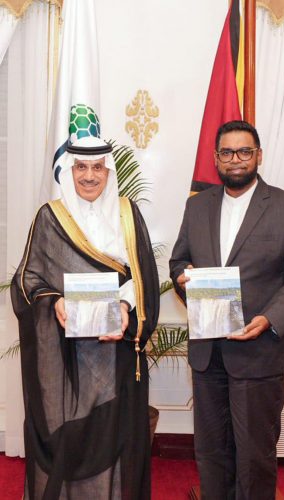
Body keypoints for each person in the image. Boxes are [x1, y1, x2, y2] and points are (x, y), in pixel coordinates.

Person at [169, 120, 284, 500]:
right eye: (226, 152)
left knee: (255, 456)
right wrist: (182, 278)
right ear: (216, 158)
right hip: (208, 354)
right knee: (211, 452)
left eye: (244, 151)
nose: (235, 160)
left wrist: (271, 318)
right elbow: (178, 261)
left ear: (258, 156)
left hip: (261, 352)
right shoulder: (197, 207)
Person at [11, 136, 160, 500]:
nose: (89, 176)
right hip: (66, 359)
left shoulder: (128, 214)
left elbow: (145, 278)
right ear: (70, 171)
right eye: (81, 167)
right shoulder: (50, 217)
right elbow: (27, 280)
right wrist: (53, 300)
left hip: (116, 351)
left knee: (114, 436)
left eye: (97, 168)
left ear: (108, 172)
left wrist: (125, 309)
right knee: (70, 438)